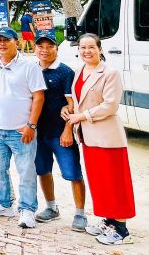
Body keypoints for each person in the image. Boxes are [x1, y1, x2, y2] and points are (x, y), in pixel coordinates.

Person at [64, 33, 135, 246]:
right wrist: (68, 110)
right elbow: (78, 100)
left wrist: (82, 116)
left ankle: (120, 229)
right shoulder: (80, 71)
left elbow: (110, 105)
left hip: (107, 136)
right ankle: (108, 220)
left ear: (100, 49)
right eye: (83, 47)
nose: (86, 51)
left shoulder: (110, 73)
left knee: (115, 182)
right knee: (100, 181)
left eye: (91, 47)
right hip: (88, 136)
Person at [0, 26, 45, 229]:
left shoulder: (29, 66)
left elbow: (38, 97)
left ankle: (27, 209)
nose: (1, 44)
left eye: (6, 40)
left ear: (16, 42)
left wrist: (31, 125)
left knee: (26, 172)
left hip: (21, 130)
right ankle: (4, 204)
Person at [33, 33, 87, 231]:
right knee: (43, 171)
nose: (45, 50)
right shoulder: (32, 70)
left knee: (73, 173)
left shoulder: (65, 72)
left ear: (57, 49)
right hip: (38, 133)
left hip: (60, 133)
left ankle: (80, 213)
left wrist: (68, 130)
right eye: (41, 46)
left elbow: (71, 103)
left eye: (50, 46)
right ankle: (51, 207)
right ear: (35, 48)